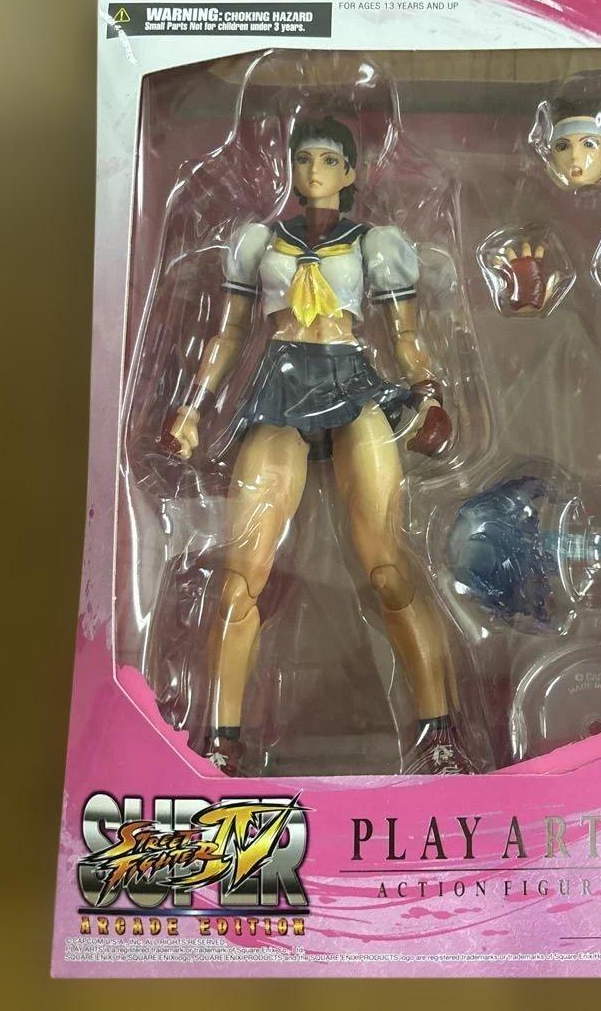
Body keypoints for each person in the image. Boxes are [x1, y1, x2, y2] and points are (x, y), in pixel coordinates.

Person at [164, 115, 474, 775]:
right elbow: (229, 333)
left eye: (329, 160)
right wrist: (192, 407)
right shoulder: (258, 241)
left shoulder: (375, 244)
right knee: (241, 574)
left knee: (386, 566)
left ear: (350, 172)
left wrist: (430, 394)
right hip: (279, 385)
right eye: (304, 158)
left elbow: (406, 335)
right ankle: (220, 741)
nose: (313, 170)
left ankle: (441, 734)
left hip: (351, 382)